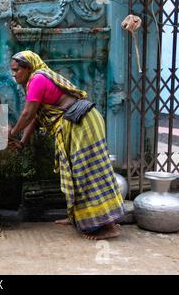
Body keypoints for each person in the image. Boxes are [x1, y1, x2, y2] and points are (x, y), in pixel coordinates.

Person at [8, 50, 124, 240]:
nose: (14, 75)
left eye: (16, 70)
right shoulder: (34, 81)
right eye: (12, 71)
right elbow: (36, 117)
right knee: (74, 173)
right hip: (76, 122)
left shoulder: (37, 79)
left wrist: (11, 133)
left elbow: (28, 114)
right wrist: (22, 142)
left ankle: (110, 226)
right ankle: (78, 217)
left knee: (90, 173)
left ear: (28, 68)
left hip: (83, 123)